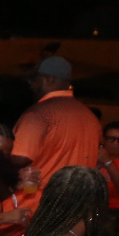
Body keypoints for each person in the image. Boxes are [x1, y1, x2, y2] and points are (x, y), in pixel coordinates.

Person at [11, 57, 101, 219]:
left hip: (35, 208)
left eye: (34, 80)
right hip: (74, 208)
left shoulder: (38, 114)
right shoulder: (90, 117)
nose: (31, 85)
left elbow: (20, 158)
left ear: (48, 80)